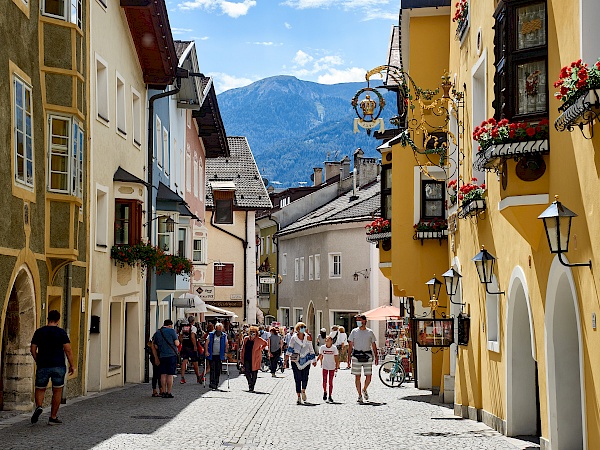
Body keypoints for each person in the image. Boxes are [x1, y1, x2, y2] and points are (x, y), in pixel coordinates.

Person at [30, 310, 75, 425]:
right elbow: (68, 350)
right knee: (57, 390)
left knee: (40, 388)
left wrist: (38, 360)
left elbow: (33, 349)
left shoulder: (39, 332)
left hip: (43, 365)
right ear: (58, 320)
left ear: (47, 318)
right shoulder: (61, 333)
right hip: (58, 365)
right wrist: (72, 365)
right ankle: (53, 417)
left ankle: (39, 406)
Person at [347, 314, 378, 403]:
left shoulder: (370, 332)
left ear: (364, 321)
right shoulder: (354, 332)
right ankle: (359, 395)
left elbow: (373, 345)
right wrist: (348, 357)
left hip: (367, 355)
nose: (358, 322)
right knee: (357, 376)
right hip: (356, 355)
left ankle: (364, 389)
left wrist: (376, 356)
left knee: (369, 376)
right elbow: (350, 345)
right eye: (357, 320)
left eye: (359, 320)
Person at [284, 322, 316, 405]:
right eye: (302, 327)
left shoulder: (308, 337)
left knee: (305, 377)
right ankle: (298, 396)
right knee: (297, 378)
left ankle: (303, 391)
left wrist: (314, 360)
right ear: (298, 329)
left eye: (304, 327)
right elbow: (290, 348)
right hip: (296, 360)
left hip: (306, 360)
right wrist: (286, 359)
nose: (303, 328)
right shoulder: (293, 338)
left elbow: (311, 348)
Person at [152, 319, 180, 398]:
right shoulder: (172, 331)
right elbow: (177, 343)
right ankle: (169, 392)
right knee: (170, 375)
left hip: (162, 356)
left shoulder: (158, 332)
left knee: (163, 374)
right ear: (170, 325)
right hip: (171, 355)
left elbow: (155, 346)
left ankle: (163, 392)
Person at [240, 326, 268, 392]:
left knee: (254, 372)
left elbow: (265, 343)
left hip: (255, 358)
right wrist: (241, 357)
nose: (252, 333)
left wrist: (261, 349)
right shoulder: (246, 338)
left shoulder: (259, 339)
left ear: (256, 333)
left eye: (254, 332)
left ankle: (252, 386)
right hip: (247, 357)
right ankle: (250, 383)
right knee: (247, 371)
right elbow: (243, 347)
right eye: (251, 332)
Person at [179, 316, 201, 384]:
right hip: (191, 346)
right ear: (193, 321)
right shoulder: (193, 328)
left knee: (184, 361)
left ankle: (182, 378)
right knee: (195, 362)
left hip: (185, 346)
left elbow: (180, 336)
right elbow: (192, 336)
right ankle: (198, 377)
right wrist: (194, 345)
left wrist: (182, 342)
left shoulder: (184, 328)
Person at [205, 322, 228, 390]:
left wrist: (226, 351)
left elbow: (226, 344)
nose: (219, 331)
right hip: (212, 355)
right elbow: (206, 343)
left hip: (219, 355)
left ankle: (216, 383)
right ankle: (212, 383)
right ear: (215, 329)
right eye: (218, 329)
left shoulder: (224, 335)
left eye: (220, 329)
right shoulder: (211, 335)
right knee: (212, 369)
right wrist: (206, 351)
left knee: (218, 369)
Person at [317, 336, 339, 403]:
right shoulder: (322, 347)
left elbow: (336, 357)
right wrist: (316, 361)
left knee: (330, 382)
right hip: (325, 365)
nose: (327, 341)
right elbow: (320, 355)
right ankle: (325, 391)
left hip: (332, 366)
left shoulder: (334, 348)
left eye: (328, 340)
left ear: (331, 341)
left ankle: (330, 395)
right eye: (326, 339)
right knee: (324, 380)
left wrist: (337, 366)